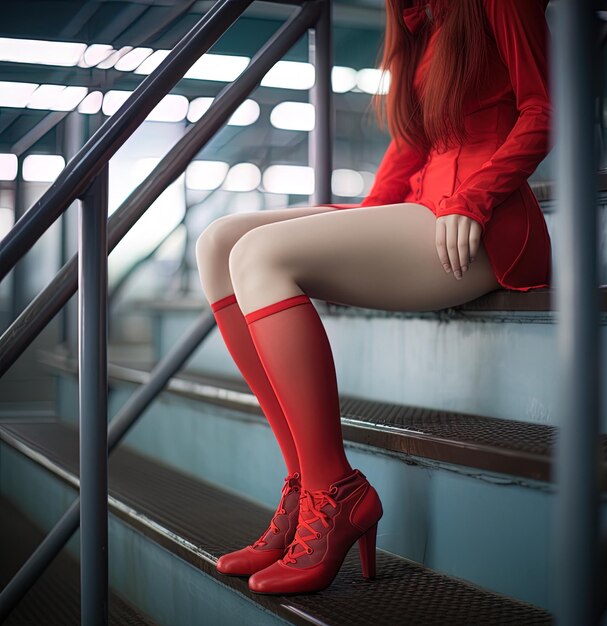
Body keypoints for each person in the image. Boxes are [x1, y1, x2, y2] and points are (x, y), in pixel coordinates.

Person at [194, 0, 553, 595]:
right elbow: (416, 143)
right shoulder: (418, 17)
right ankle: (307, 482)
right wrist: (359, 227)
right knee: (219, 243)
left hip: (481, 225)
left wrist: (476, 197)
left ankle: (337, 494)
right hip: (421, 210)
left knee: (261, 255)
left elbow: (542, 110)